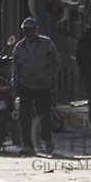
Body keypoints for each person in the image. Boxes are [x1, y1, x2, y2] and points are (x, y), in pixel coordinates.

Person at [11, 16, 61, 155]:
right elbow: (15, 70)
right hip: (25, 85)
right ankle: (27, 145)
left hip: (43, 85)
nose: (29, 33)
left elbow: (56, 63)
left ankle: (47, 140)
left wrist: (49, 75)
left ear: (36, 30)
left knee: (44, 115)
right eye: (26, 30)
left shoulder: (47, 44)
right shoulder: (19, 48)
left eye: (31, 30)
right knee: (24, 116)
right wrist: (15, 89)